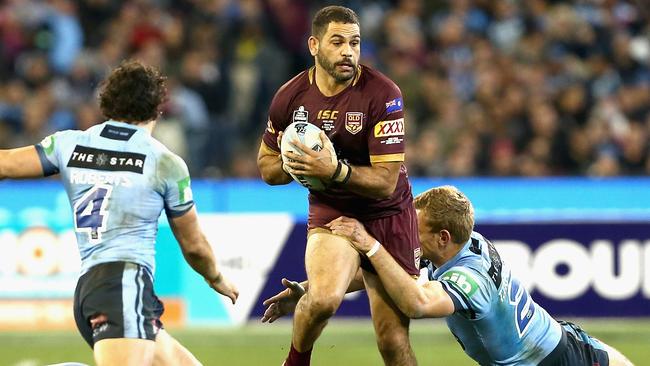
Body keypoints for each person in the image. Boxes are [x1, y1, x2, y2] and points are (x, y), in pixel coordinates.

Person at [0, 60, 239, 366]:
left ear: (107, 103)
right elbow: (193, 245)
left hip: (93, 287)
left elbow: (5, 163)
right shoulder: (164, 162)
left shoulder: (69, 144)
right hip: (124, 283)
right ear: (157, 107)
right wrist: (215, 276)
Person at [265, 186, 634, 366]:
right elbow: (391, 275)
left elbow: (415, 301)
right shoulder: (461, 242)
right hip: (561, 340)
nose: (409, 236)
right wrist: (315, 291)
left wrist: (368, 244)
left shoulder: (469, 280)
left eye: (416, 229)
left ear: (443, 237)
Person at [257, 5, 420, 366]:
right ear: (314, 45)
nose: (348, 51)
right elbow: (267, 167)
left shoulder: (383, 94)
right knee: (324, 299)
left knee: (392, 341)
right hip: (333, 209)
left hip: (388, 212)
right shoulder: (290, 97)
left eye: (355, 43)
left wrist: (333, 170)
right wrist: (295, 162)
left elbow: (384, 182)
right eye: (337, 42)